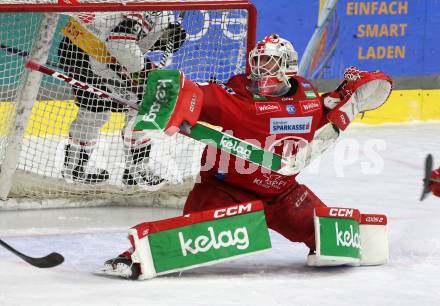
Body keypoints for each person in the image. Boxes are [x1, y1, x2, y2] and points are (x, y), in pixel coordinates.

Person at [103, 34, 392, 278]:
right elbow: (198, 95)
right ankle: (133, 256)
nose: (260, 69)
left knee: (336, 244)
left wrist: (352, 93)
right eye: (257, 62)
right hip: (224, 190)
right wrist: (165, 103)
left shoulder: (307, 97)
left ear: (287, 67)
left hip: (283, 194)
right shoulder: (238, 97)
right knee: (189, 242)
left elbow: (332, 109)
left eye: (269, 62)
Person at [58, 10, 186, 186]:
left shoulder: (157, 10)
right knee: (145, 103)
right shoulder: (147, 6)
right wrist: (140, 71)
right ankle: (136, 172)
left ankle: (74, 169)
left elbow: (125, 33)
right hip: (94, 55)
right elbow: (120, 44)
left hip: (80, 48)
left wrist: (162, 38)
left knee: (94, 112)